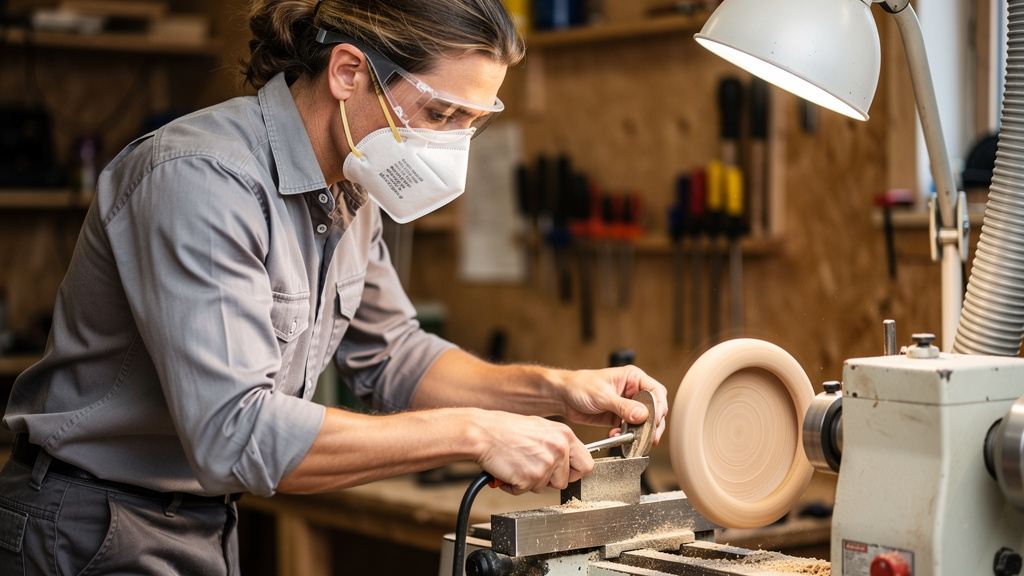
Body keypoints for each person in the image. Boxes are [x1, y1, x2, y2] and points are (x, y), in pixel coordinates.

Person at [0, 0, 668, 574]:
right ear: (349, 72)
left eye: (473, 122)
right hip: (87, 526)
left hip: (200, 520)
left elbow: (396, 355)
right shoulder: (201, 179)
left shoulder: (352, 183)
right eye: (439, 114)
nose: (454, 145)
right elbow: (237, 434)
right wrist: (475, 432)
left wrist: (553, 391)